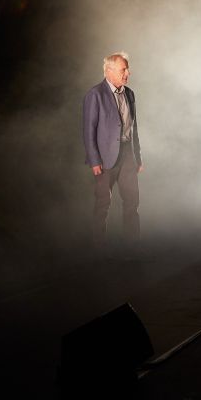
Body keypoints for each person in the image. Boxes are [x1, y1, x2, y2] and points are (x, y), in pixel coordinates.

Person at [83, 52, 144, 258]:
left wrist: (137, 157)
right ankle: (98, 250)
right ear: (108, 71)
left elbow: (134, 129)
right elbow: (89, 130)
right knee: (103, 204)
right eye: (123, 69)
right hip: (104, 158)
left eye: (127, 69)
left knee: (132, 202)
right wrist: (94, 160)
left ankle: (133, 248)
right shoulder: (95, 94)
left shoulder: (130, 94)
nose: (128, 73)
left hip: (127, 156)